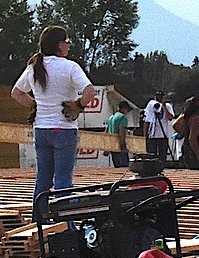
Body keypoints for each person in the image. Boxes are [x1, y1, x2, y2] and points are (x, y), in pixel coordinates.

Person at [11, 26, 95, 206]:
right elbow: (90, 91)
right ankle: (65, 225)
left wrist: (34, 105)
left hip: (41, 130)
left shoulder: (34, 67)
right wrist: (78, 106)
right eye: (67, 42)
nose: (68, 46)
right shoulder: (70, 67)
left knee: (42, 181)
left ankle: (40, 221)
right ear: (59, 45)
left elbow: (16, 93)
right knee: (63, 182)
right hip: (64, 130)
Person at [178, 95, 199, 170]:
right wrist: (198, 155)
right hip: (194, 157)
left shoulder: (190, 118)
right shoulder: (196, 120)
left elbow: (176, 125)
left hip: (189, 154)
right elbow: (192, 139)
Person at [143, 90, 173, 162]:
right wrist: (145, 135)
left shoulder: (168, 106)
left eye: (161, 97)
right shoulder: (151, 105)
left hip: (163, 135)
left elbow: (170, 118)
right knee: (152, 156)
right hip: (152, 135)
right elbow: (147, 121)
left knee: (162, 156)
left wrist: (164, 107)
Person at [106, 100, 133, 168]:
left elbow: (107, 133)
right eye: (127, 110)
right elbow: (122, 132)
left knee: (117, 169)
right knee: (124, 168)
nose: (127, 112)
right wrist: (123, 146)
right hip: (119, 147)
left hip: (112, 147)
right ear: (123, 109)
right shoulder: (123, 117)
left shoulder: (111, 117)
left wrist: (106, 149)